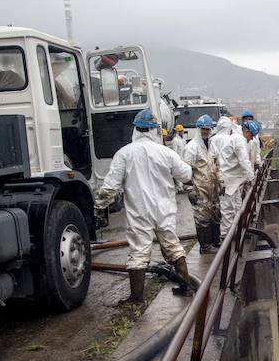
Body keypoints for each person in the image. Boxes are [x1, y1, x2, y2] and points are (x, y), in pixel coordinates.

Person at [94, 108, 194, 303]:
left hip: (139, 210)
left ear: (136, 129)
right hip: (164, 208)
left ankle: (136, 297)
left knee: (139, 251)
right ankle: (186, 287)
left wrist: (100, 205)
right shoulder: (166, 152)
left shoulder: (124, 154)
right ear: (154, 130)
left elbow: (110, 185)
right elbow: (186, 175)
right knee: (172, 246)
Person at [183, 114, 222, 253]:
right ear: (198, 129)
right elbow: (186, 170)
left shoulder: (212, 145)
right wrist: (189, 189)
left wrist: (221, 183)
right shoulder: (191, 147)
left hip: (213, 188)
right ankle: (205, 246)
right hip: (200, 188)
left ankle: (216, 242)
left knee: (215, 214)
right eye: (203, 129)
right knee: (202, 217)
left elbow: (217, 165)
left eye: (208, 129)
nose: (206, 131)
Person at [211, 116, 254, 239]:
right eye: (251, 136)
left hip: (233, 180)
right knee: (228, 209)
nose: (251, 139)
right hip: (227, 180)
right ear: (247, 132)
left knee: (237, 206)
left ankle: (237, 232)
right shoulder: (239, 140)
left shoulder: (235, 138)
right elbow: (244, 161)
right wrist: (251, 178)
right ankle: (226, 237)